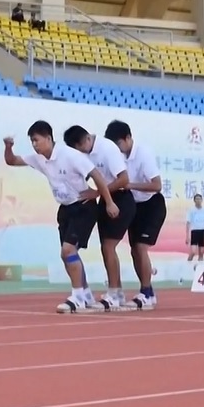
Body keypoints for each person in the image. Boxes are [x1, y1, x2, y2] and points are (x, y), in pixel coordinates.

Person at [3, 120, 119, 314]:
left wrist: (108, 202)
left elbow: (97, 175)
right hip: (65, 209)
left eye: (37, 140)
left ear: (49, 138)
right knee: (69, 255)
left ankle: (77, 297)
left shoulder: (70, 155)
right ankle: (86, 294)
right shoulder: (38, 158)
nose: (34, 144)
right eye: (32, 141)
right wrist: (8, 147)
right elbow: (12, 161)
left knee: (67, 251)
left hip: (83, 207)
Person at [67, 125, 136, 309]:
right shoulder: (82, 153)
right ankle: (118, 292)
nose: (80, 153)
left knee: (108, 246)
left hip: (120, 199)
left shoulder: (107, 149)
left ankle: (113, 292)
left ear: (86, 140)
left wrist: (98, 192)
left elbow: (124, 179)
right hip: (106, 200)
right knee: (105, 247)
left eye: (80, 149)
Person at [105, 120, 165, 309]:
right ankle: (148, 292)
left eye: (119, 144)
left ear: (128, 138)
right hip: (134, 206)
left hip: (152, 204)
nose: (117, 149)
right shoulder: (118, 156)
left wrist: (129, 185)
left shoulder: (143, 154)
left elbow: (157, 185)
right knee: (134, 250)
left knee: (140, 248)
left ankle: (146, 292)